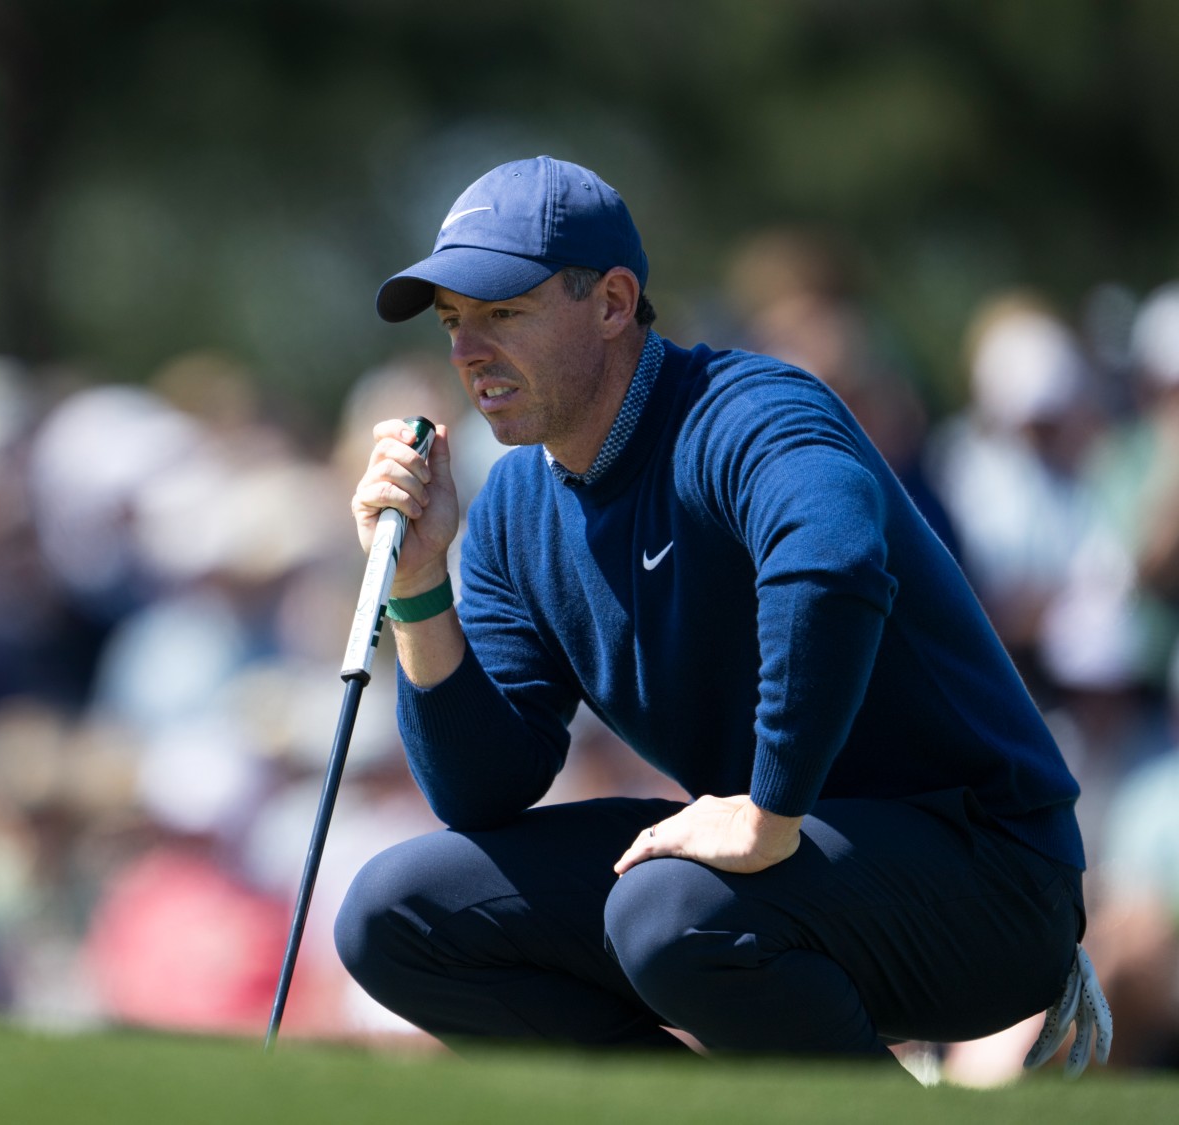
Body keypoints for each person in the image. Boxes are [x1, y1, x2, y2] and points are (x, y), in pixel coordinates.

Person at [332, 156, 1106, 1068]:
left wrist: (770, 810)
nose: (467, 352)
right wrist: (421, 585)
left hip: (992, 875)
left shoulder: (747, 409)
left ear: (615, 302)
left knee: (670, 909)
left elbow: (833, 560)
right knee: (400, 912)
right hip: (783, 871)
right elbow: (483, 789)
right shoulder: (510, 511)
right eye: (455, 322)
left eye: (503, 313)